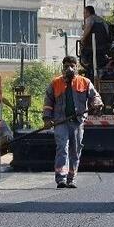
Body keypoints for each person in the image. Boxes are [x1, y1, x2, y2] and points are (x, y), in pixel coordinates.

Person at [42, 56, 103, 189]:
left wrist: (97, 103)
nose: (69, 68)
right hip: (60, 121)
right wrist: (47, 118)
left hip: (77, 121)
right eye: (66, 66)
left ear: (76, 67)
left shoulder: (85, 82)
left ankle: (71, 178)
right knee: (62, 148)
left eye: (72, 66)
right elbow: (48, 101)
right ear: (62, 67)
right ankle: (61, 178)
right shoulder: (55, 83)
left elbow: (95, 96)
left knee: (75, 151)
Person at [80, 6, 110, 77]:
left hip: (92, 47)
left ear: (88, 13)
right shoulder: (101, 20)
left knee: (82, 52)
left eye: (84, 13)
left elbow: (88, 28)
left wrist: (82, 40)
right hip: (103, 47)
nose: (84, 15)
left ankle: (86, 63)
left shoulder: (90, 18)